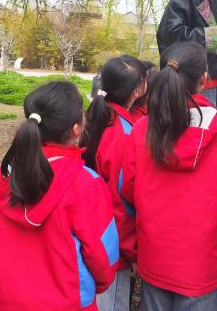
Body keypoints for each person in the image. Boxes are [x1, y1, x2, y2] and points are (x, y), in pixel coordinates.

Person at [119, 41, 217, 310]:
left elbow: (127, 190)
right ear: (203, 80)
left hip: (154, 257)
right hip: (204, 264)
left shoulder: (142, 130)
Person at [0, 81, 118, 311]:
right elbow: (102, 256)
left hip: (9, 300)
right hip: (68, 301)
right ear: (76, 128)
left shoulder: (11, 173)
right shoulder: (85, 183)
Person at [80, 56, 147, 311]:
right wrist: (132, 252)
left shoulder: (95, 117)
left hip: (88, 236)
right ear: (137, 90)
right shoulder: (125, 134)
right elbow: (121, 203)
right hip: (112, 250)